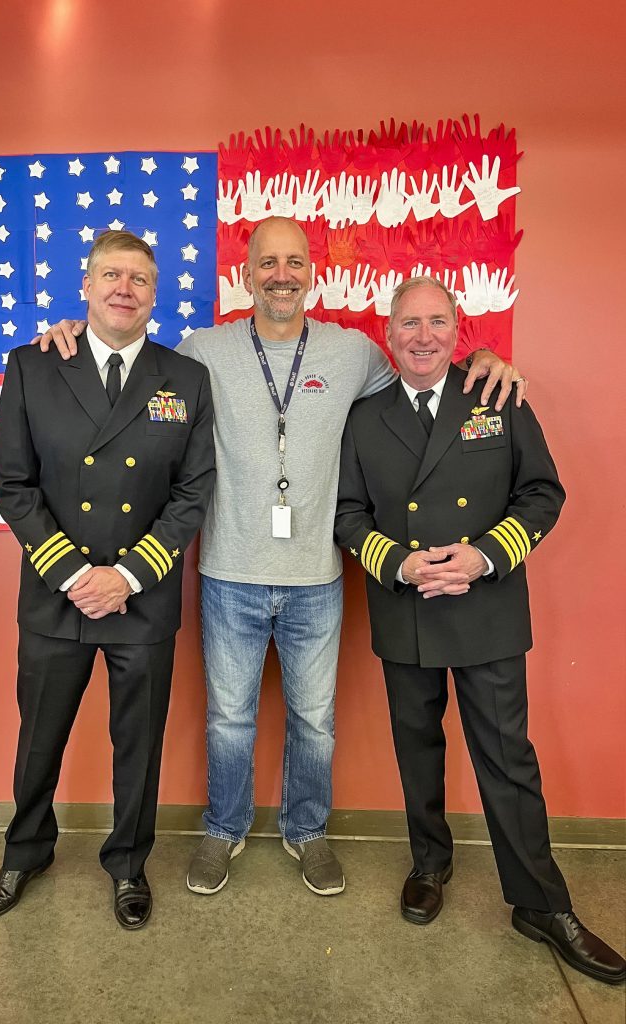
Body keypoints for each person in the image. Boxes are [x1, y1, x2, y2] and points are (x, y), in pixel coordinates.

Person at [37, 216, 522, 898]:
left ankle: (307, 831)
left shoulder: (354, 354)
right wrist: (65, 337)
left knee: (314, 718)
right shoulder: (201, 350)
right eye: (268, 262)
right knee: (229, 717)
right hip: (228, 574)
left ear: (313, 273)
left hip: (317, 579)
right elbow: (126, 363)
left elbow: (426, 370)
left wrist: (482, 361)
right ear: (246, 276)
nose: (282, 274)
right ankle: (223, 829)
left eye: (295, 261)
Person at [334, 275, 625, 984]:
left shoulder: (496, 397)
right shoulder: (364, 416)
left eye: (437, 322)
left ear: (457, 328)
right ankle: (429, 864)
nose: (423, 336)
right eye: (409, 324)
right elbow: (347, 514)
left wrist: (486, 555)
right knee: (418, 747)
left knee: (507, 759)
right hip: (406, 607)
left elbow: (542, 493)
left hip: (486, 607)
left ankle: (540, 903)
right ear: (389, 332)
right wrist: (400, 565)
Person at [0, 231, 215, 930]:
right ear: (85, 286)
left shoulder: (185, 379)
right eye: (111, 274)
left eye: (139, 278)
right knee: (39, 736)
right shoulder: (34, 364)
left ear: (154, 295)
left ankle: (129, 865)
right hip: (58, 593)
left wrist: (129, 576)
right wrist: (78, 573)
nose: (124, 289)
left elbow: (193, 492)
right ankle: (24, 853)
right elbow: (12, 484)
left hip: (142, 598)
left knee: (138, 743)